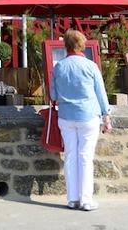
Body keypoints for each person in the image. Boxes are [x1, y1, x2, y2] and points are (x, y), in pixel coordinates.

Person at [50, 30, 112, 212]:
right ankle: (86, 200)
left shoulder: (59, 67)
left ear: (66, 46)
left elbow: (53, 95)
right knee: (85, 157)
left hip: (66, 116)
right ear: (82, 45)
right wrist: (106, 115)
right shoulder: (91, 66)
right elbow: (101, 93)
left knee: (70, 156)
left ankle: (72, 199)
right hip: (88, 116)